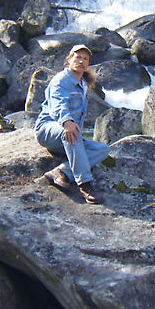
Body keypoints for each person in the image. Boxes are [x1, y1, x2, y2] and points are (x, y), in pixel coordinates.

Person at [35, 44, 109, 204]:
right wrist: (66, 121)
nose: (81, 61)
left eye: (85, 59)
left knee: (103, 149)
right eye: (77, 57)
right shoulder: (61, 80)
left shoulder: (83, 84)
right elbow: (57, 104)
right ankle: (85, 184)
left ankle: (61, 172)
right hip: (48, 129)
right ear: (69, 60)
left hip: (70, 135)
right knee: (71, 132)